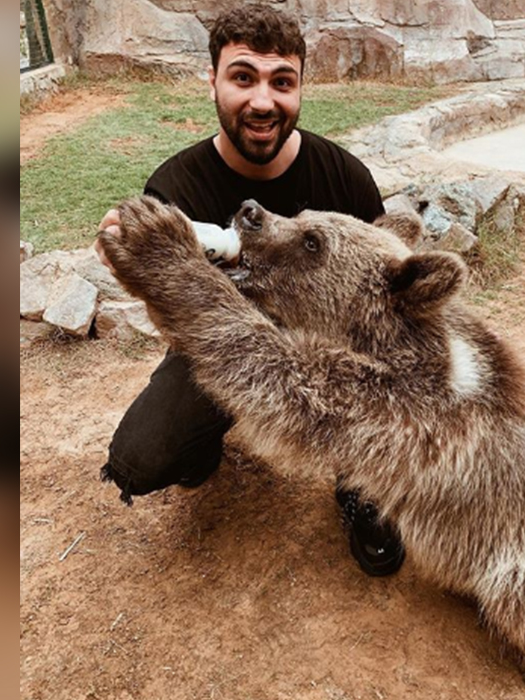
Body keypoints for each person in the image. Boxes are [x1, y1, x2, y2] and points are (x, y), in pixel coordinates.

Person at [93, 4, 404, 577]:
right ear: (212, 81)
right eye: (243, 77)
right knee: (142, 459)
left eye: (281, 82)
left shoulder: (346, 176)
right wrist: (132, 262)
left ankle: (363, 482)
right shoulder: (176, 185)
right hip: (215, 334)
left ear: (300, 88)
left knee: (386, 389)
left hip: (331, 342)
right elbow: (174, 315)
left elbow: (385, 306)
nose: (263, 101)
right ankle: (204, 440)